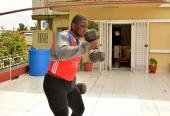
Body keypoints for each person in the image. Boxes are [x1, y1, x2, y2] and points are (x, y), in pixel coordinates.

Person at [43, 14, 99, 116]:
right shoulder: (63, 35)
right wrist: (88, 46)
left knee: (79, 109)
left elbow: (72, 63)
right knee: (63, 114)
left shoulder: (78, 41)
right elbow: (62, 53)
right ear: (73, 25)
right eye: (82, 26)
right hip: (55, 83)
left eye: (86, 27)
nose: (85, 29)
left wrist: (93, 55)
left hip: (70, 83)